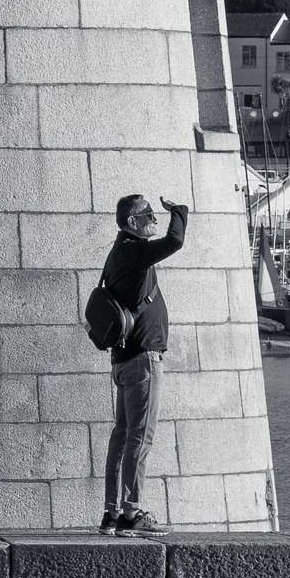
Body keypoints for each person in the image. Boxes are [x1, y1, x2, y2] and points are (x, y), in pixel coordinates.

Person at [95, 189, 189, 532]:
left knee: (121, 436)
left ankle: (112, 513)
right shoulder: (135, 252)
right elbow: (175, 241)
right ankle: (133, 513)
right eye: (149, 215)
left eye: (156, 215)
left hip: (123, 359)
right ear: (133, 222)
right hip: (142, 360)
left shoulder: (117, 251)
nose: (155, 219)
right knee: (140, 437)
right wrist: (178, 210)